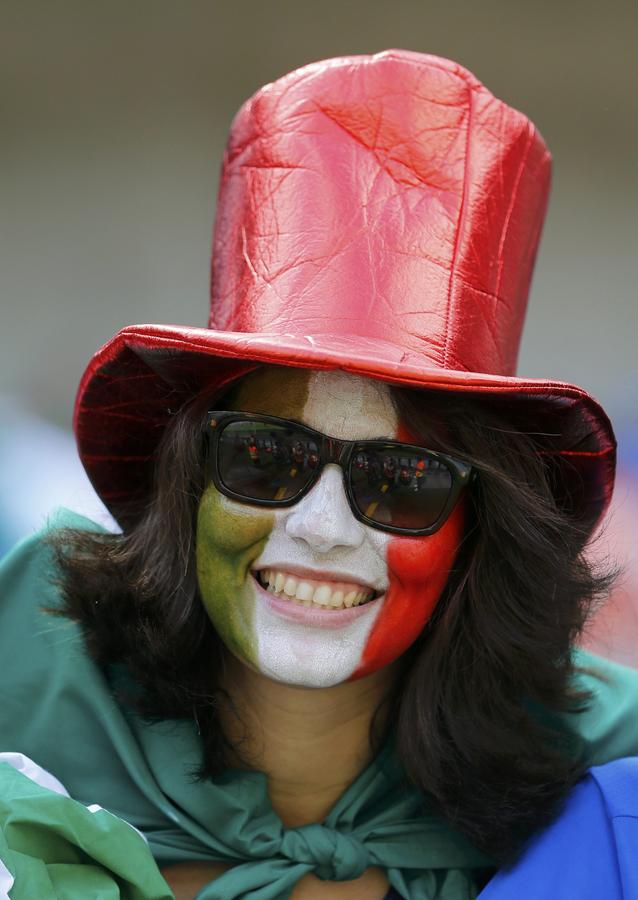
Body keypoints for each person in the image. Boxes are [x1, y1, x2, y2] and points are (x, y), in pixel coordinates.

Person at [1, 49, 637, 900]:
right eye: (264, 459)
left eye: (401, 480)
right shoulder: (24, 656)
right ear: (189, 482)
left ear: (476, 530)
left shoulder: (602, 761)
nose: (324, 527)